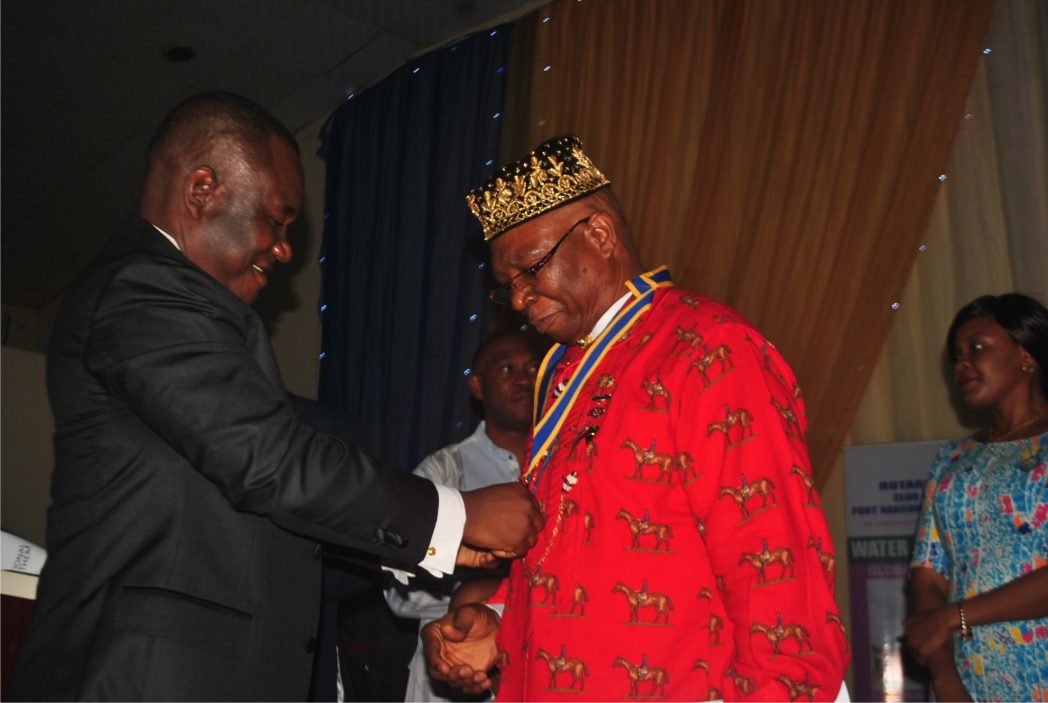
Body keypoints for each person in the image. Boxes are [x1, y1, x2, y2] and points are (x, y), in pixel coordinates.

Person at [6, 92, 542, 702]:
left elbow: (249, 507)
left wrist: (435, 543)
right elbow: (270, 462)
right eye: (278, 220)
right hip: (135, 679)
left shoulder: (176, 305)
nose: (286, 250)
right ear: (202, 189)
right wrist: (456, 514)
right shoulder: (143, 290)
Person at [422, 135, 850, 700]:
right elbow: (580, 562)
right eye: (508, 288)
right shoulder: (563, 376)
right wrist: (502, 628)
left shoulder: (708, 350)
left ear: (599, 236)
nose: (520, 301)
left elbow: (776, 573)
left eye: (530, 272)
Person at [906, 293, 1048, 702]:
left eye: (977, 348)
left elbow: (943, 613)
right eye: (956, 355)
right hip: (966, 683)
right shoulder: (952, 460)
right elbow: (929, 575)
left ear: (1027, 356)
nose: (961, 364)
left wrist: (955, 615)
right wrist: (946, 679)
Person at [385, 332, 540, 701]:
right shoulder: (443, 472)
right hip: (453, 680)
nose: (524, 378)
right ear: (478, 385)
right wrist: (476, 592)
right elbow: (397, 593)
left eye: (533, 368)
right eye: (507, 368)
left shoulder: (567, 464)